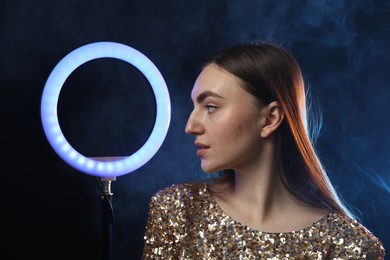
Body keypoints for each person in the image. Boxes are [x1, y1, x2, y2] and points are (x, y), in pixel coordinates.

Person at [142, 41, 385, 259]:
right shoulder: (177, 210)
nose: (190, 126)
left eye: (211, 107)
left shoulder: (349, 248)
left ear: (270, 118)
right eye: (195, 106)